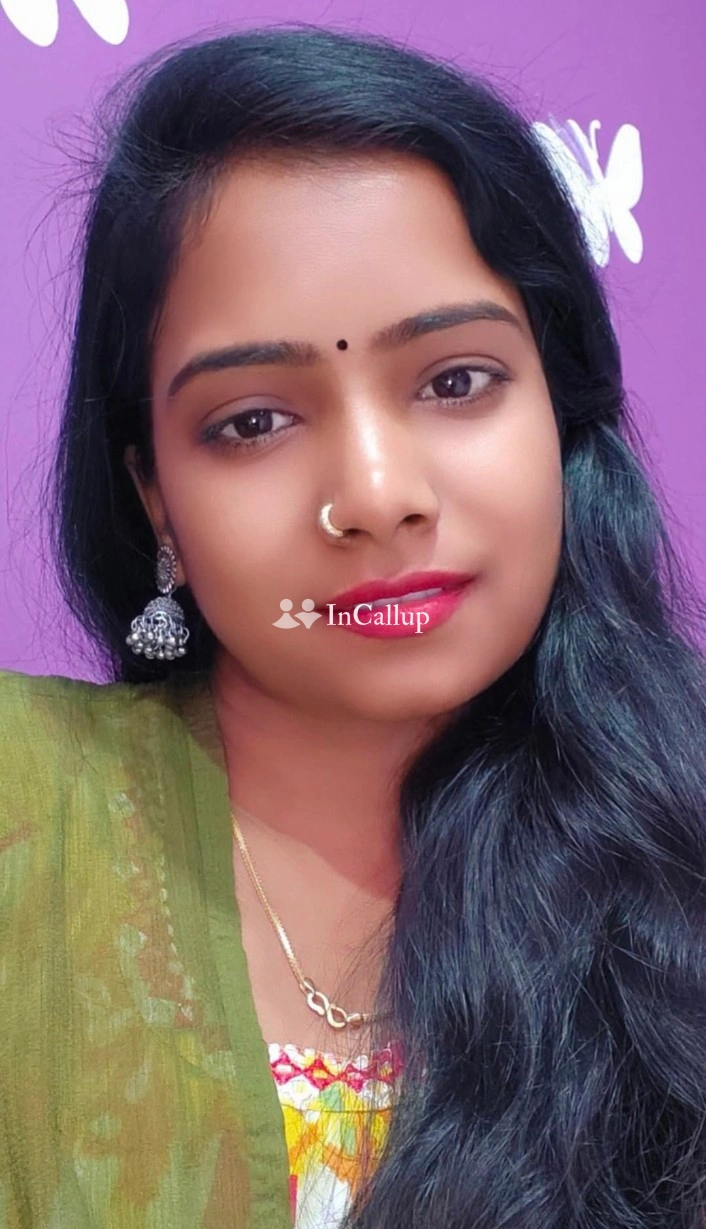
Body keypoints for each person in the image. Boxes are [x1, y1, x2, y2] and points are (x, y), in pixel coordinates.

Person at [2, 22, 706, 1229]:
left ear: (559, 406)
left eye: (454, 381)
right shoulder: (27, 812)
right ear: (153, 491)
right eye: (254, 421)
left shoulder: (681, 825)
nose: (376, 495)